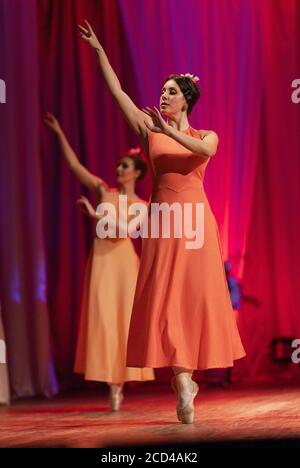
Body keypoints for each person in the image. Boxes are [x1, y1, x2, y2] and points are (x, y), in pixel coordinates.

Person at [78, 21, 245, 423]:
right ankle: (184, 381)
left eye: (171, 91)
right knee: (166, 302)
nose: (163, 95)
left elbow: (201, 149)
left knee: (192, 300)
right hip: (162, 224)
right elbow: (116, 92)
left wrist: (167, 128)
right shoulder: (148, 129)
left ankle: (185, 379)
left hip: (196, 224)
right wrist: (100, 51)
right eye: (163, 90)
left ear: (185, 100)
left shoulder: (208, 135)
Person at [44, 113, 154, 411]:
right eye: (118, 165)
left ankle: (119, 383)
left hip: (124, 264)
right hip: (103, 263)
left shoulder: (143, 207)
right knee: (104, 319)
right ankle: (111, 384)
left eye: (125, 166)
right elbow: (75, 166)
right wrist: (59, 133)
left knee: (124, 321)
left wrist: (97, 216)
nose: (118, 168)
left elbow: (129, 232)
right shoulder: (105, 190)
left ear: (137, 173)